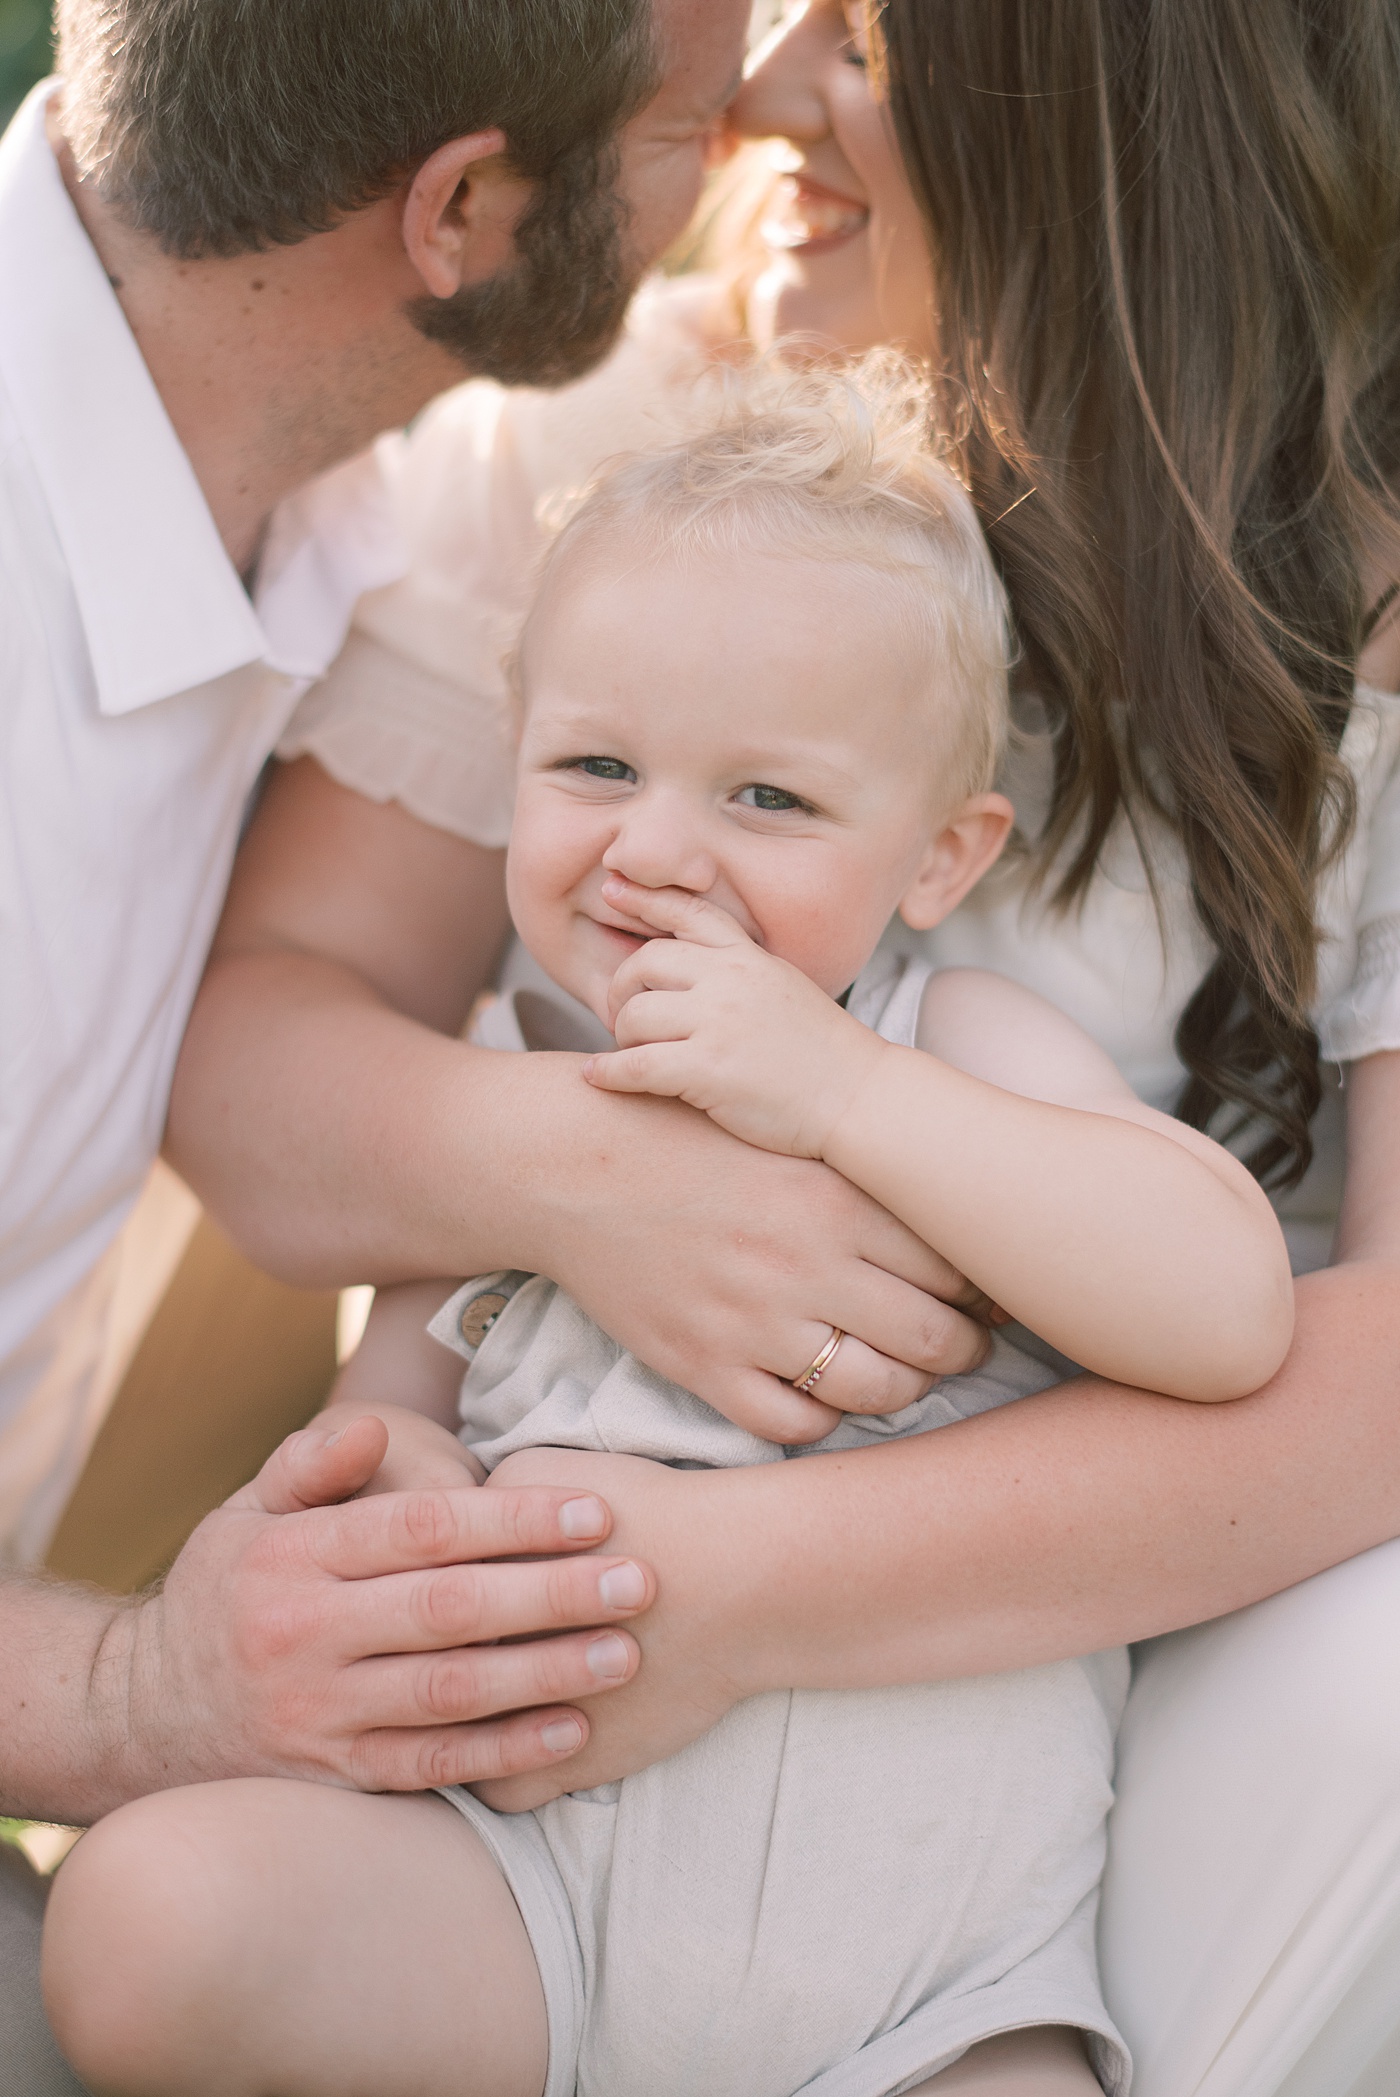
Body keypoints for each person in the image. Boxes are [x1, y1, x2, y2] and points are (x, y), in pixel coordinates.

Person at [156, 3, 1400, 2094]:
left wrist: (711, 1585)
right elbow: (269, 1046)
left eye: (868, 34)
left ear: (1104, 112)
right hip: (558, 1674)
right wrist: (578, 1173)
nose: (757, 83)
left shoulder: (1351, 607)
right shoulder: (623, 432)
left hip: (1074, 1608)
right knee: (180, 1925)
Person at [0, 0, 752, 2082]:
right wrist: (139, 1691)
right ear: (466, 212)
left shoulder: (338, 484)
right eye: (701, 112)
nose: (775, 104)